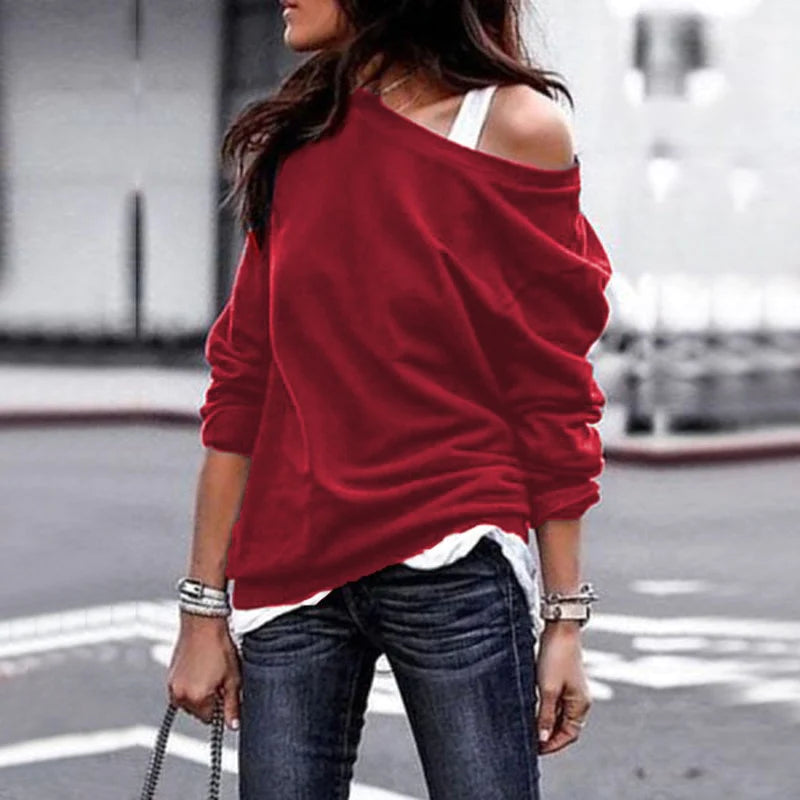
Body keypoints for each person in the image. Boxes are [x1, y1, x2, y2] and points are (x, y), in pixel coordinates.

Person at [167, 1, 613, 797]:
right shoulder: (298, 139)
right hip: (291, 575)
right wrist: (202, 611)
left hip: (454, 557)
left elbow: (550, 387)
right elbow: (243, 384)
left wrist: (564, 619)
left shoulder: (512, 128)